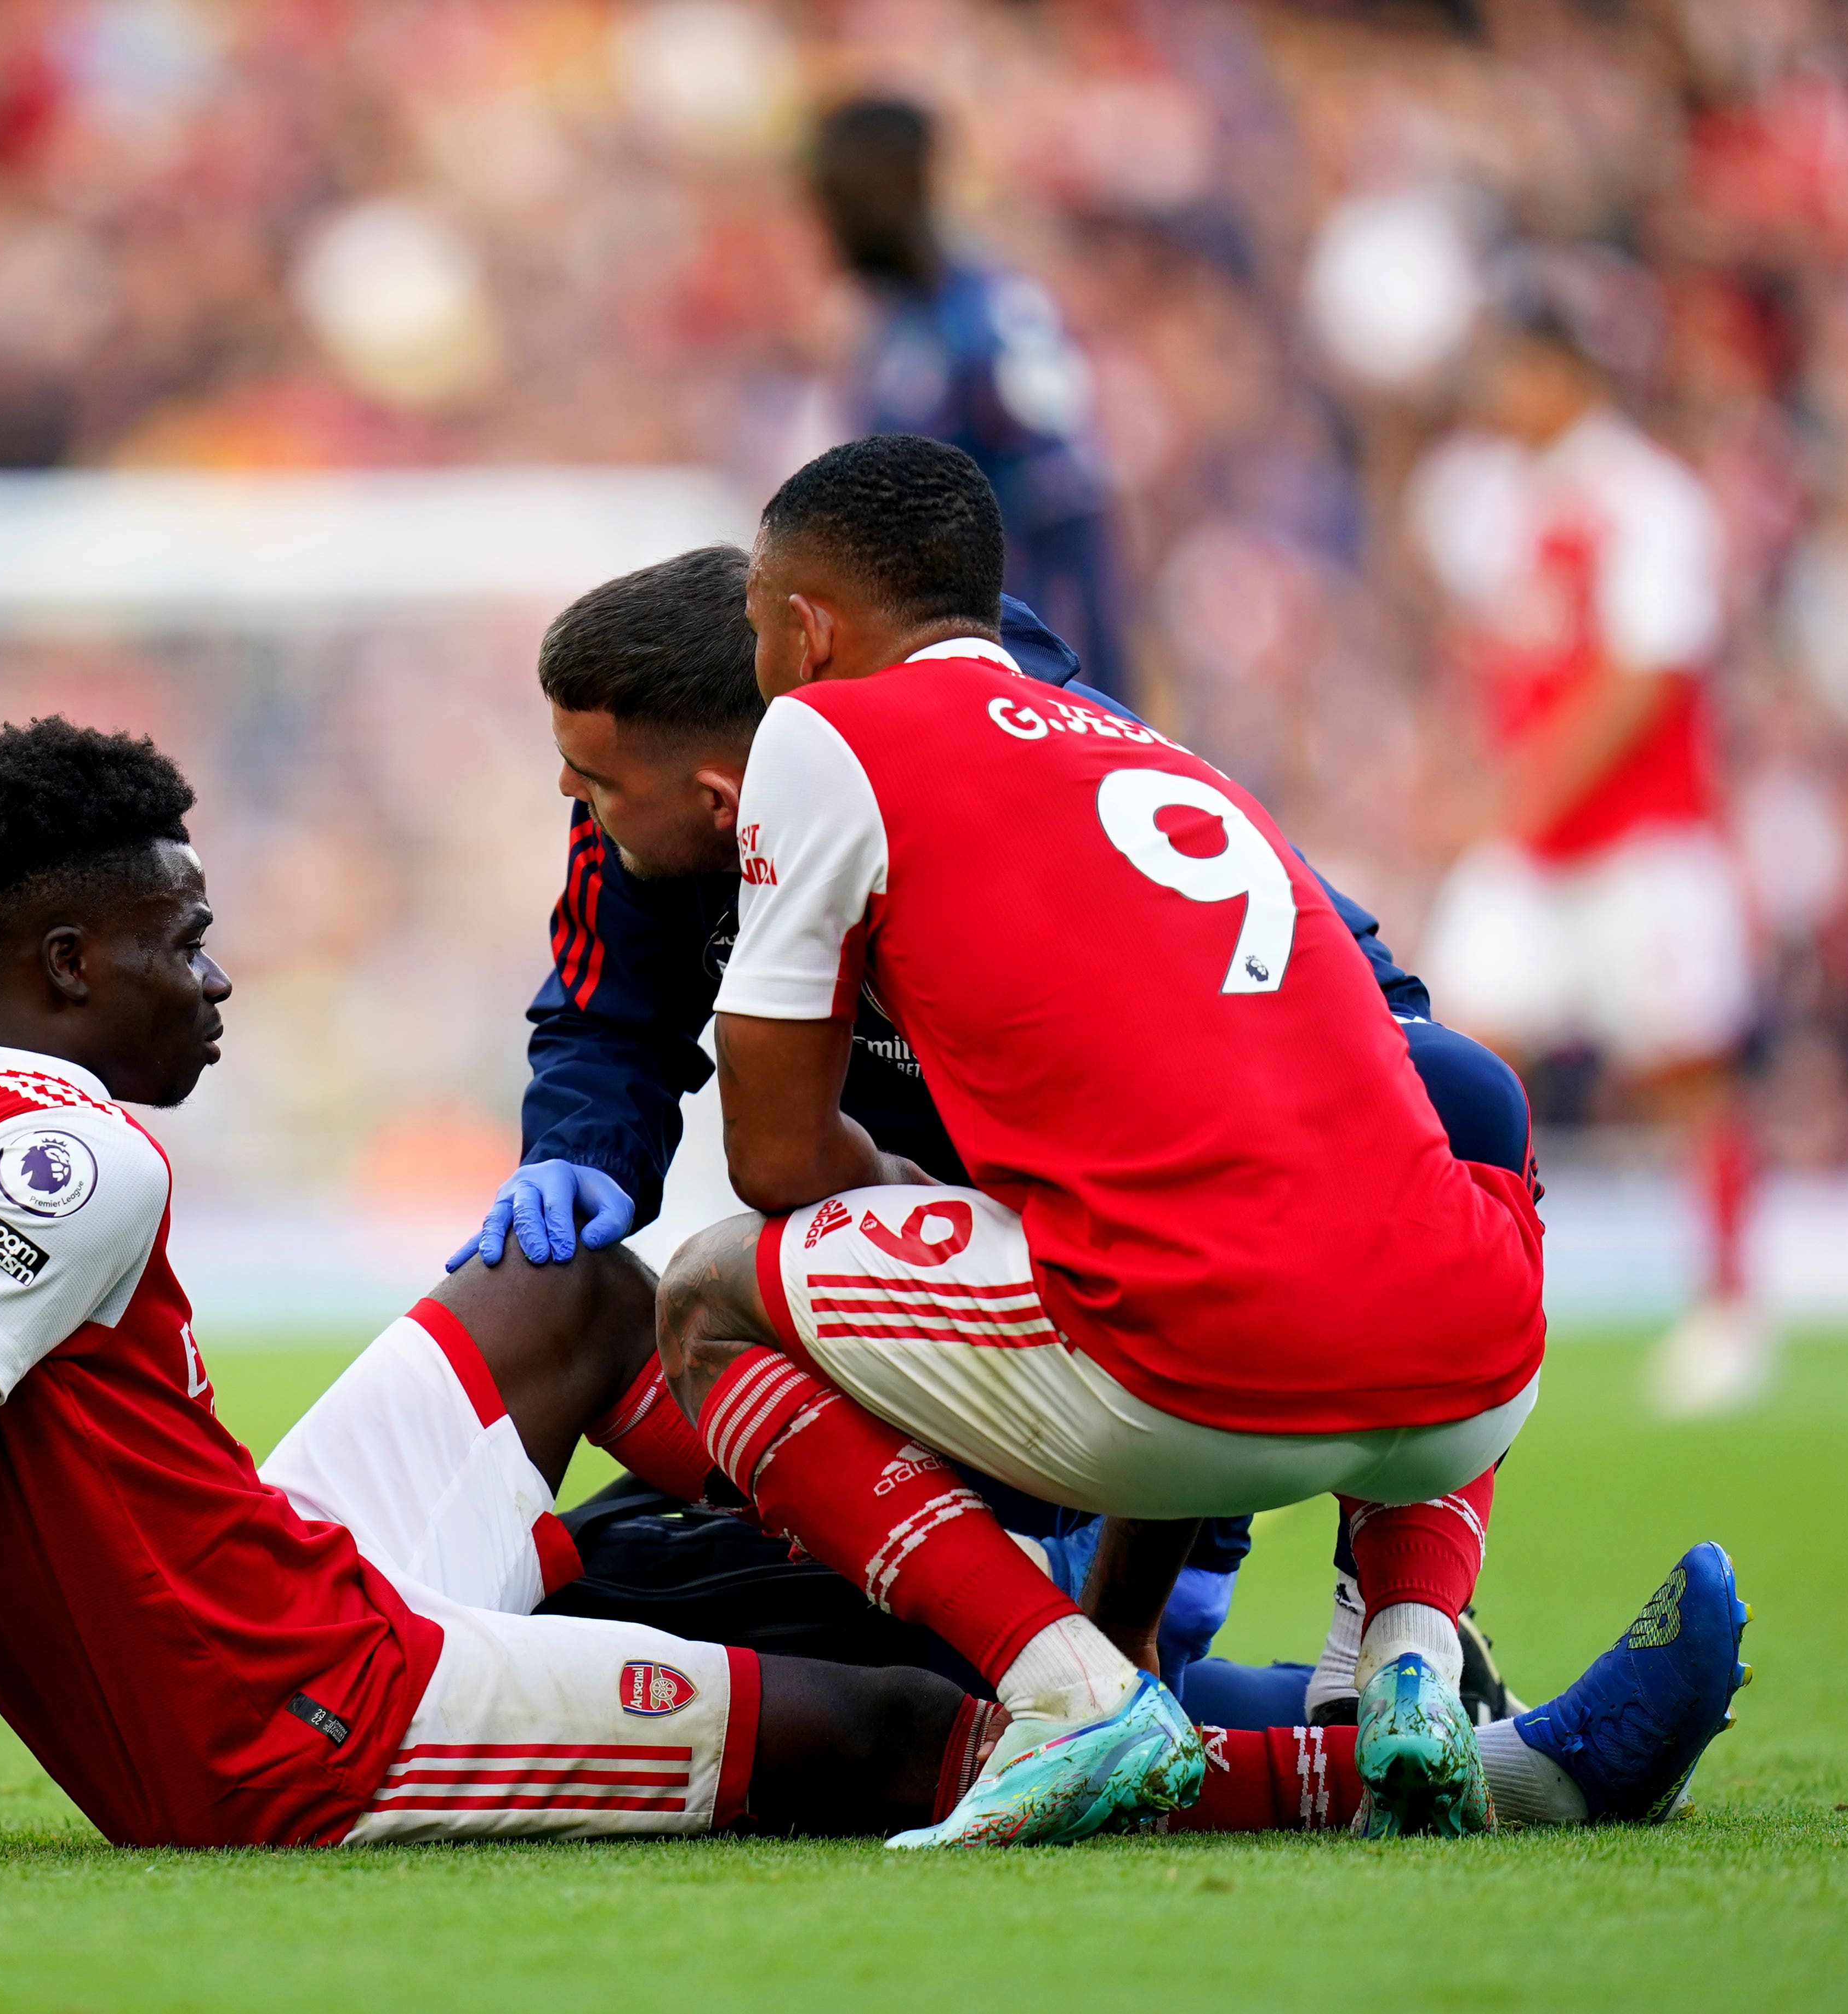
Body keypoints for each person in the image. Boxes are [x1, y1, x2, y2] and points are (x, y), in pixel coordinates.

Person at [0, 716, 1748, 1862]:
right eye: (182, 932)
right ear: (59, 963)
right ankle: (1421, 1761)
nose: (223, 970)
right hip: (303, 1718)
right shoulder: (74, 1150)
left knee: (579, 1299)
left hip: (268, 1565)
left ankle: (868, 1596)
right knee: (877, 1738)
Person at [458, 542, 1532, 1733]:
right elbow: (604, 1016)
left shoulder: (1030, 753)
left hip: (1129, 1295)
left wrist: (1352, 1073)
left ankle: (1363, 1657)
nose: (575, 802)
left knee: (993, 1641)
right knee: (643, 1596)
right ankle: (1380, 1707)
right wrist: (581, 1148)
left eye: (589, 782)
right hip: (935, 1324)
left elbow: (1379, 1030)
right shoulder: (655, 801)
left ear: (720, 787)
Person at [1407, 305, 1761, 1416]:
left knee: (1681, 1072)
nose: (1494, 398)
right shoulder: (1506, 502)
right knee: (1452, 1056)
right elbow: (1504, 664)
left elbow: (1642, 677)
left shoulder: (1643, 499)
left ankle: (1729, 1305)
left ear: (1560, 373)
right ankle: (1457, 1303)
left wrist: (1515, 793)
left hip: (1641, 843)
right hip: (1533, 847)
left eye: (1510, 374)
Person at [810, 97, 1129, 703]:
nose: (827, 227)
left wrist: (1108, 700)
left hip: (1019, 687)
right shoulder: (887, 334)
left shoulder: (995, 324)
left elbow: (1073, 517)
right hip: (927, 685)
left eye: (837, 199)